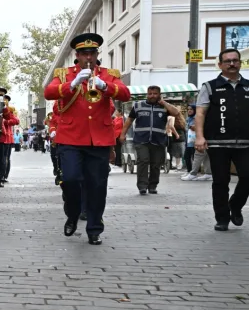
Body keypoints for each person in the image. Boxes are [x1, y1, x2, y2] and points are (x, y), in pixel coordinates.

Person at [44, 33, 130, 245]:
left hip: (99, 140)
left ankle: (94, 228)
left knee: (97, 186)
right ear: (77, 55)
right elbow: (49, 92)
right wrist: (73, 83)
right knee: (71, 180)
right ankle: (72, 214)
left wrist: (104, 86)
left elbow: (125, 94)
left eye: (92, 53)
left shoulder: (108, 75)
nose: (88, 57)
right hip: (71, 138)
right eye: (84, 53)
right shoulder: (64, 74)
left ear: (96, 54)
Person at [194, 47, 249, 231]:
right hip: (217, 142)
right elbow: (200, 113)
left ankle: (235, 206)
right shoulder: (209, 86)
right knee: (220, 181)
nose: (232, 64)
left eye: (235, 60)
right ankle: (222, 218)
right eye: (227, 61)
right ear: (220, 64)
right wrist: (199, 136)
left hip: (246, 142)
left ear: (240, 63)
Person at [119, 86, 180, 195]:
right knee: (143, 160)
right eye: (150, 93)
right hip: (141, 140)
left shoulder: (164, 107)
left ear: (159, 94)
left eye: (155, 93)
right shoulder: (138, 106)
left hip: (159, 140)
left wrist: (164, 103)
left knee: (156, 164)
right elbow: (129, 121)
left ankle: (152, 186)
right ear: (147, 94)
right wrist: (123, 134)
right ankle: (142, 186)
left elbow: (176, 113)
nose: (152, 96)